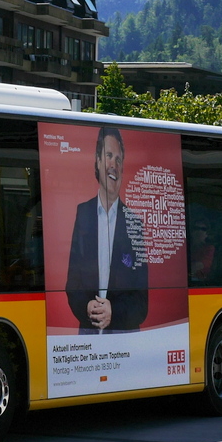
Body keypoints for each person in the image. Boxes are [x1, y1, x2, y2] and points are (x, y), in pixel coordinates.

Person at [66, 127, 147, 333]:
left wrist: (115, 312)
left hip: (124, 338)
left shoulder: (134, 223)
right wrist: (86, 306)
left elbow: (141, 301)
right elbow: (72, 284)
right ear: (98, 161)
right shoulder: (82, 214)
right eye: (109, 156)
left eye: (119, 160)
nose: (114, 165)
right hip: (88, 334)